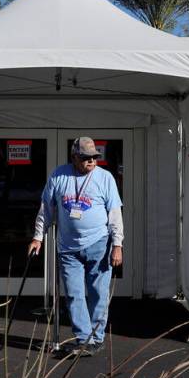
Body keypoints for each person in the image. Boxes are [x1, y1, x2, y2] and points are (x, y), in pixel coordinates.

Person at [28, 136, 124, 356]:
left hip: (99, 242)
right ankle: (84, 338)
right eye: (85, 158)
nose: (90, 162)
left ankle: (95, 339)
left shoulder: (105, 177)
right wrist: (38, 237)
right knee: (73, 294)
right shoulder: (59, 175)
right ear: (74, 157)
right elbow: (47, 208)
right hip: (68, 247)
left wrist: (117, 244)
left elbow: (115, 213)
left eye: (94, 158)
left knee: (98, 293)